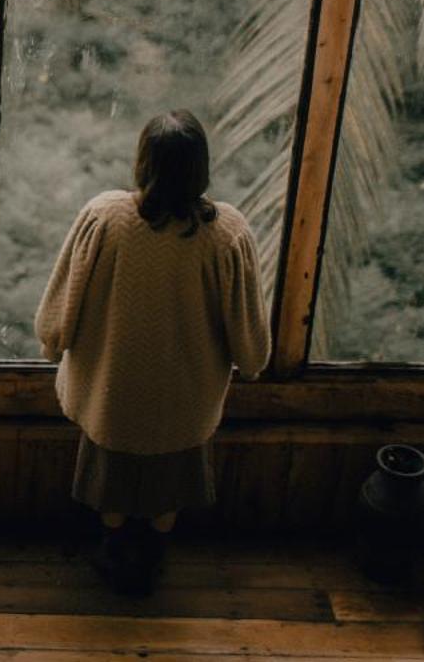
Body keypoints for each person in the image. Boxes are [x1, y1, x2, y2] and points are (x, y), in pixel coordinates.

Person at [34, 109, 270, 595]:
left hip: (110, 391)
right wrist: (252, 360)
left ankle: (115, 552)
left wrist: (52, 339)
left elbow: (62, 301)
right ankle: (153, 558)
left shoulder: (104, 217)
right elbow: (248, 332)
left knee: (110, 484)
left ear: (144, 161)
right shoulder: (226, 234)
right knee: (169, 489)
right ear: (200, 166)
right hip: (184, 399)